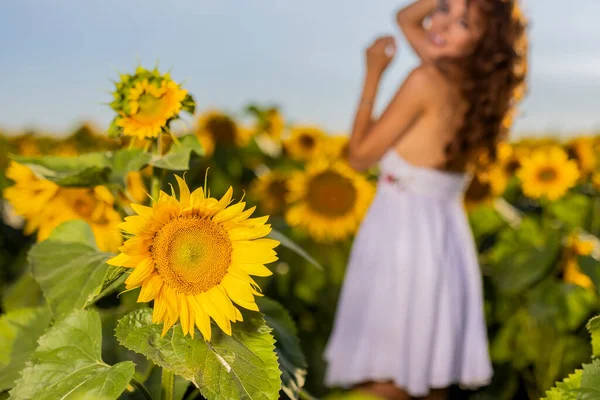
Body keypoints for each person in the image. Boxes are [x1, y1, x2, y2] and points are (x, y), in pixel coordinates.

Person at [323, 0, 526, 399]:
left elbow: (359, 157)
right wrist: (460, 11)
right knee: (428, 372)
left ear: (484, 41)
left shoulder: (426, 79)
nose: (441, 23)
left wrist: (373, 75)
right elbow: (405, 18)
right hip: (444, 236)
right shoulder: (477, 88)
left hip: (401, 238)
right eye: (444, 7)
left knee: (384, 377)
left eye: (464, 22)